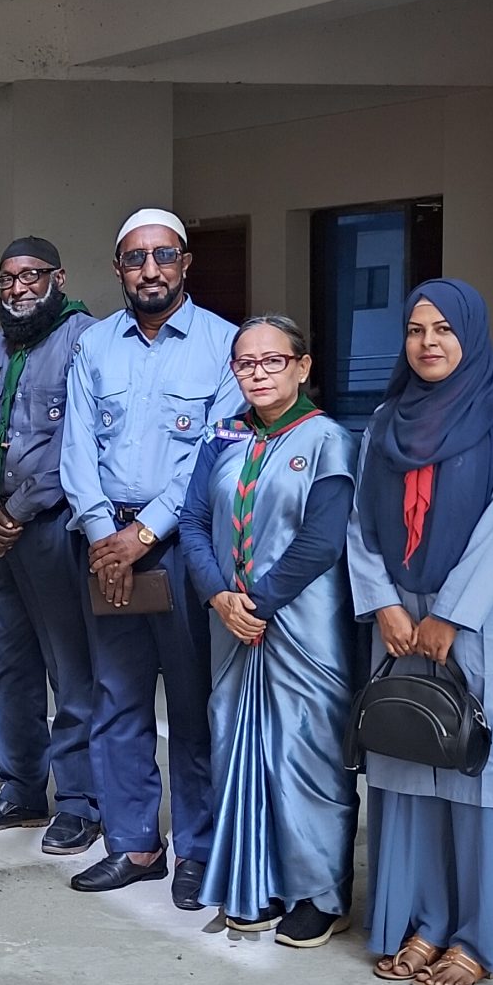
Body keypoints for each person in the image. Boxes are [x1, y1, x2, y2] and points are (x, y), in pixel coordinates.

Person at [347, 280, 493, 985]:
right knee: (414, 764)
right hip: (402, 619)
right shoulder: (385, 420)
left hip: (486, 614)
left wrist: (451, 613)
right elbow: (360, 522)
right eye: (416, 330)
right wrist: (383, 604)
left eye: (444, 329)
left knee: (483, 773)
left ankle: (481, 936)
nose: (429, 342)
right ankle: (425, 920)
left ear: (471, 334)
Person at [58, 211, 241, 906]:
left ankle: (198, 849)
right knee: (117, 698)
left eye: (164, 255)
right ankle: (134, 844)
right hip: (105, 547)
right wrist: (103, 536)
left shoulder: (223, 344)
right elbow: (77, 448)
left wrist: (144, 535)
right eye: (135, 259)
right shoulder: (95, 345)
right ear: (119, 270)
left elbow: (213, 453)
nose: (150, 270)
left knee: (193, 705)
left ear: (186, 262)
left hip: (184, 546)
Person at [179, 317, 358, 947]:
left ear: (302, 367)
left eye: (272, 361)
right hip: (232, 622)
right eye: (245, 364)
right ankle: (256, 882)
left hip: (303, 624)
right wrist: (219, 597)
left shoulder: (330, 439)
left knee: (306, 753)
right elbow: (193, 521)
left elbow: (322, 539)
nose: (257, 374)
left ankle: (320, 893)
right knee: (238, 746)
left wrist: (255, 602)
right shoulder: (223, 436)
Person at [0, 236, 102, 853]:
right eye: (7, 278)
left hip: (50, 528)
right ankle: (20, 789)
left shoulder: (85, 340)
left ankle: (79, 803)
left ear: (58, 278)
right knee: (3, 667)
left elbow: (78, 442)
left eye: (30, 276)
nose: (17, 288)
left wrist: (13, 513)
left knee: (70, 671)